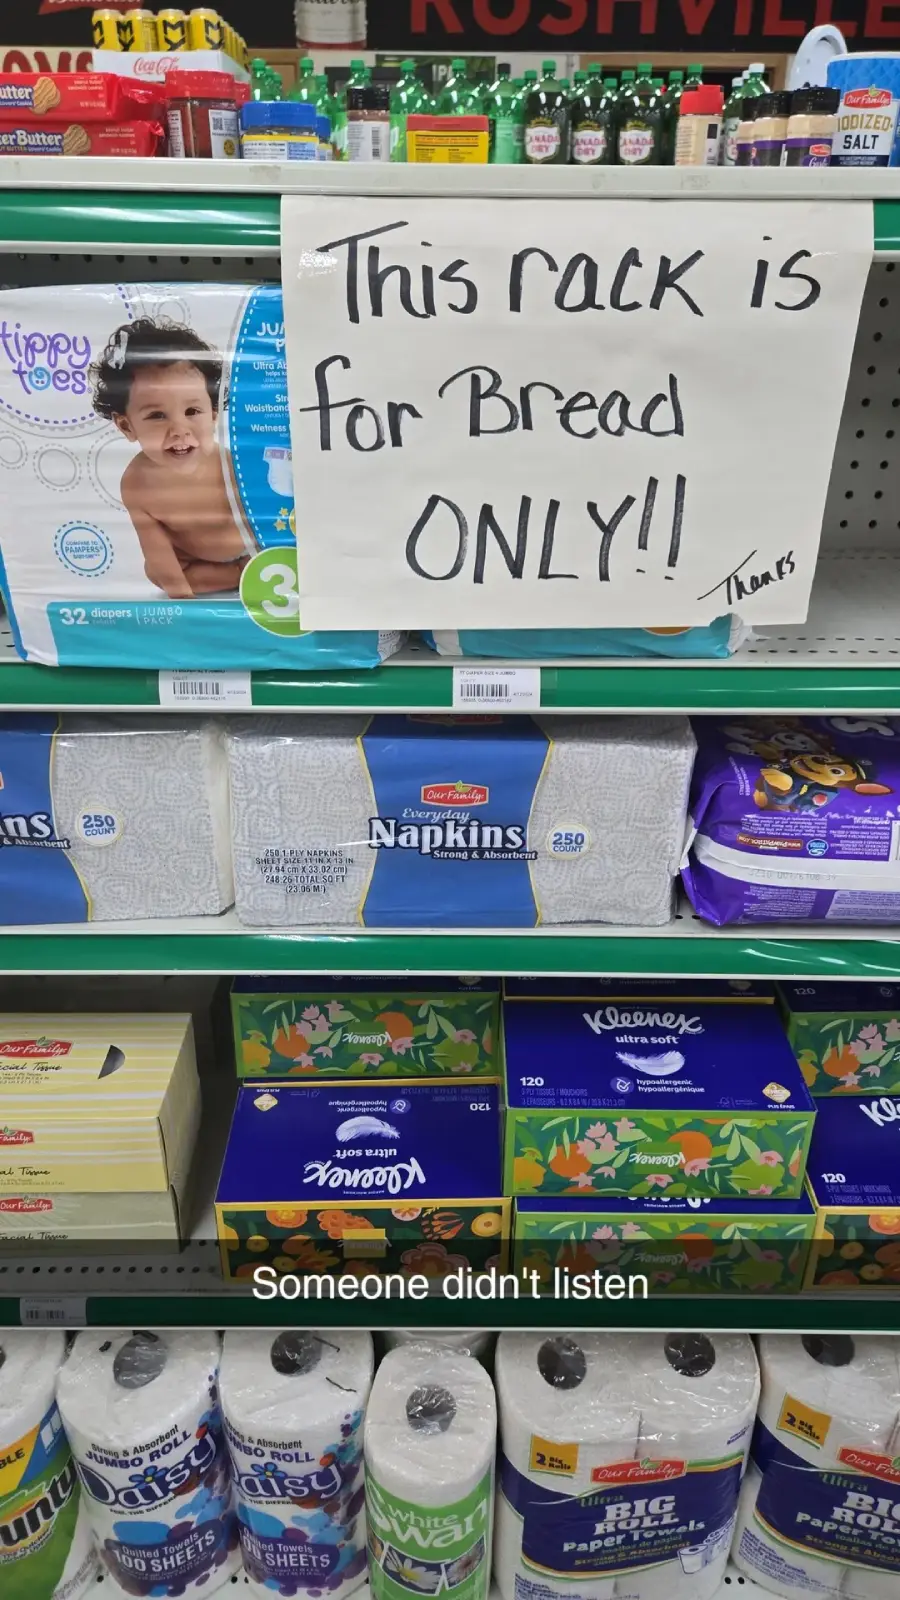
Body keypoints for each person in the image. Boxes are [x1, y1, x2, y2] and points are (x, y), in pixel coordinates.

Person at [92, 317, 256, 599]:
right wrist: (183, 604)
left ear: (214, 414)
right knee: (156, 573)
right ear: (127, 426)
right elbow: (158, 555)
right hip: (198, 561)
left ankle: (254, 566)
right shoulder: (136, 484)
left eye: (193, 411)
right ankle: (240, 574)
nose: (179, 431)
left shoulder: (232, 464)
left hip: (256, 545)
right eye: (157, 415)